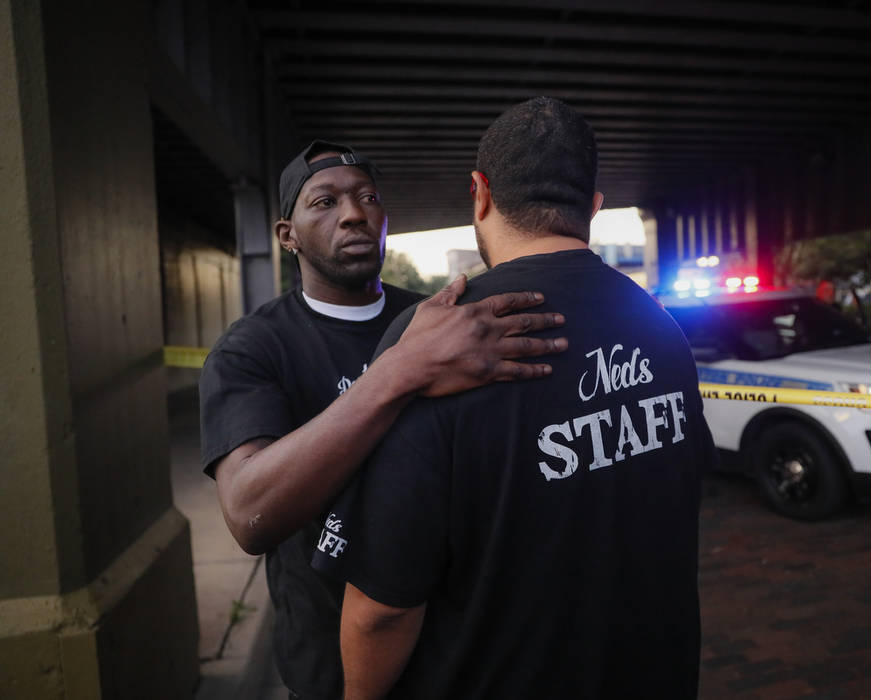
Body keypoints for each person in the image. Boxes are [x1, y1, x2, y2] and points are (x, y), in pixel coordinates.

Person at [313, 98, 717, 699]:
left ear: (479, 193)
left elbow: (383, 606)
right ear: (594, 208)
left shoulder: (439, 335)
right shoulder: (658, 322)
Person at [199, 140, 567, 700]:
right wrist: (399, 373)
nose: (353, 213)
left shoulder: (441, 318)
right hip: (333, 670)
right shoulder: (252, 349)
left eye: (368, 197)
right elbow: (250, 513)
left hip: (458, 653)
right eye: (323, 202)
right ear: (286, 234)